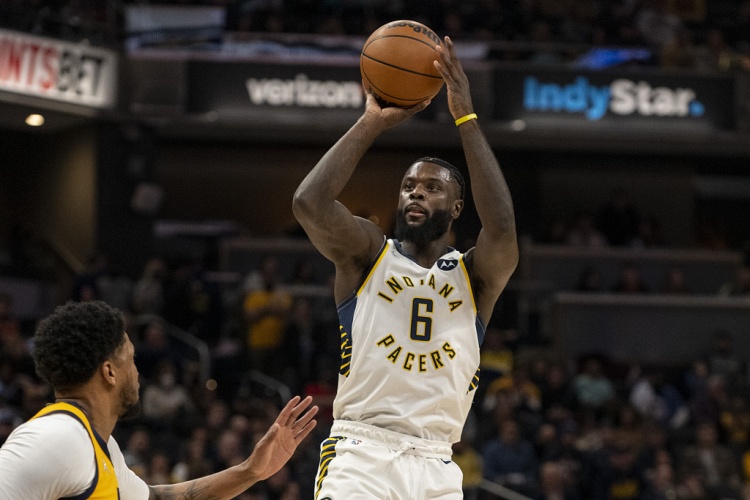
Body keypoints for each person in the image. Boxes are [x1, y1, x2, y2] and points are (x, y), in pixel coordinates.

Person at [292, 35, 518, 499]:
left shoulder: (475, 276)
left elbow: (501, 228)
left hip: (437, 463)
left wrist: (466, 118)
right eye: (409, 185)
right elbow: (308, 203)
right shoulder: (369, 254)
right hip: (363, 453)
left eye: (433, 188)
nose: (416, 191)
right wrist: (371, 122)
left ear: (457, 208)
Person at [0, 300, 318, 499]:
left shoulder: (99, 446)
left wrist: (250, 471)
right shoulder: (55, 438)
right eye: (131, 359)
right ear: (109, 372)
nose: (138, 373)